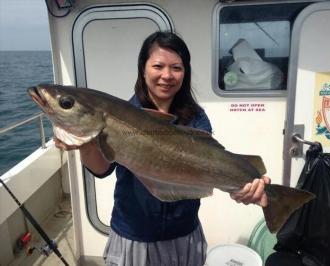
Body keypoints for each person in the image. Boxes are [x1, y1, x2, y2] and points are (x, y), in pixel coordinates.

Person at [54, 31, 270, 266]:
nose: (167, 75)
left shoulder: (196, 119)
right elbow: (102, 170)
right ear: (143, 68)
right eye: (158, 66)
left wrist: (242, 189)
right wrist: (85, 145)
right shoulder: (123, 114)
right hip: (134, 235)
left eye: (176, 68)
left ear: (184, 72)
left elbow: (210, 169)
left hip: (185, 235)